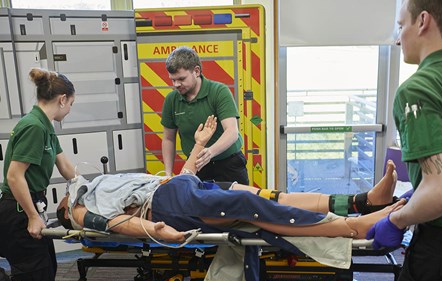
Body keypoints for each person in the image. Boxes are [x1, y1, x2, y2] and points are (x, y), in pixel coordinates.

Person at [58, 116, 404, 244]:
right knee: (249, 206)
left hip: (181, 187)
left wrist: (198, 144)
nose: (63, 197)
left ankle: (362, 202)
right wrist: (158, 231)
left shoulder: (94, 184)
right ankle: (352, 227)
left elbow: (183, 175)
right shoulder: (78, 210)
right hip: (172, 205)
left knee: (263, 194)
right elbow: (116, 223)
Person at [365, 1, 442, 281]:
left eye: (401, 25)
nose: (398, 38)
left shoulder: (419, 89)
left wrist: (397, 220)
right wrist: (419, 192)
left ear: (423, 22)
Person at [0, 68, 77, 281]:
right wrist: (33, 216)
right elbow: (14, 176)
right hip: (19, 212)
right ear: (62, 99)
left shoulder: (46, 126)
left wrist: (91, 186)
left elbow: (67, 169)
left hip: (31, 207)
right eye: (71, 103)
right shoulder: (33, 126)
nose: (70, 109)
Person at [161, 46, 249, 185]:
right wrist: (167, 173)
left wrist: (210, 152)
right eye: (173, 80)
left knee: (237, 205)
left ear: (196, 71)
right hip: (198, 167)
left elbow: (232, 132)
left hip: (229, 165)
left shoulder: (219, 91)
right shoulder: (171, 100)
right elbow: (168, 139)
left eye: (181, 79)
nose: (176, 84)